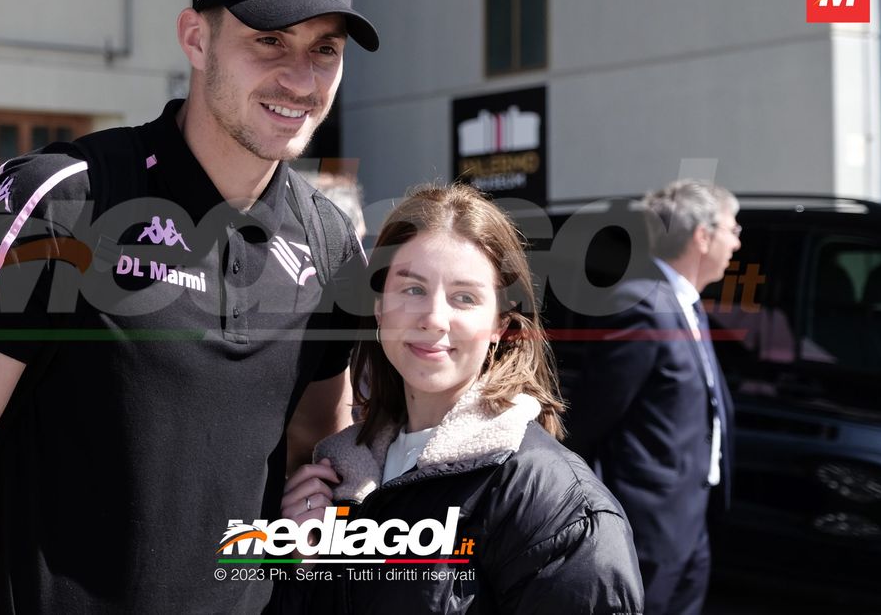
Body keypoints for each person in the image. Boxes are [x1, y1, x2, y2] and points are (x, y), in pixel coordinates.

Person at [0, 0, 378, 614]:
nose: (300, 78)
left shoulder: (328, 242)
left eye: (326, 50)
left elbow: (315, 448)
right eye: (269, 41)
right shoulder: (64, 200)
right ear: (197, 40)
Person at [276, 184, 644, 614]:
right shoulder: (338, 475)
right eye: (412, 289)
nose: (433, 318)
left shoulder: (557, 505)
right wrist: (295, 561)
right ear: (379, 308)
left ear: (500, 326)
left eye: (464, 298)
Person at [564, 179, 739, 615]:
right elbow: (592, 417)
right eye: (733, 229)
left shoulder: (687, 303)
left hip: (690, 517)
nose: (738, 242)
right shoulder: (640, 304)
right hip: (648, 525)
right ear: (703, 235)